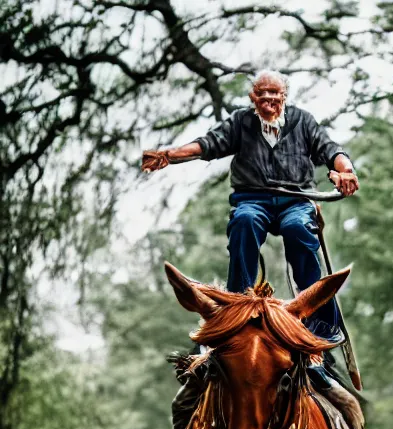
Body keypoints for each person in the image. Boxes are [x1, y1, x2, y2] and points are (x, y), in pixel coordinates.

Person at [142, 69, 358, 343]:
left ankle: (319, 318)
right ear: (252, 97)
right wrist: (168, 155)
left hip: (296, 200)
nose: (268, 99)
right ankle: (236, 305)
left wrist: (346, 171)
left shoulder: (303, 121)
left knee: (297, 229)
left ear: (284, 96)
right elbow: (207, 144)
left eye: (274, 93)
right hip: (253, 199)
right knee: (244, 221)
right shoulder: (240, 122)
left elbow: (331, 150)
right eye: (261, 93)